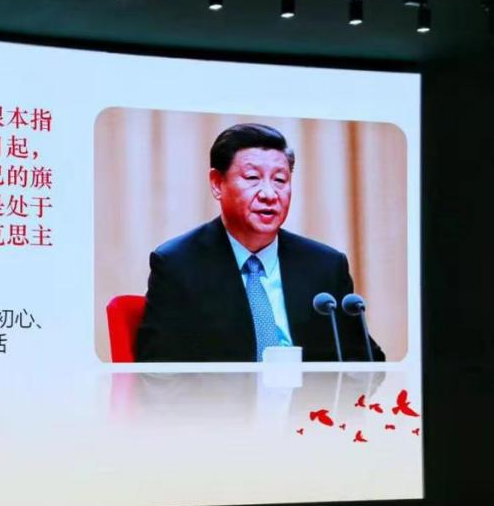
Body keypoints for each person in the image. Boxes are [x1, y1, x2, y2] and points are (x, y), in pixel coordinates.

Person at [134, 123, 385, 363]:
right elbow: (158, 373)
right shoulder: (178, 265)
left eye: (280, 180)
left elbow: (364, 362)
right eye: (253, 177)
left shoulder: (325, 266)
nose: (269, 194)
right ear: (217, 183)